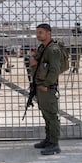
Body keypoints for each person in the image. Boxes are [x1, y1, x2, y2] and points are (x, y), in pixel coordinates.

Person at [29, 23, 64, 155]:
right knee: (46, 115)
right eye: (37, 33)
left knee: (52, 116)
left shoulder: (53, 49)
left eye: (41, 32)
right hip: (40, 86)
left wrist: (46, 84)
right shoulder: (43, 48)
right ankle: (48, 140)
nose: (38, 35)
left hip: (47, 88)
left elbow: (54, 69)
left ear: (48, 33)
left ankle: (54, 144)